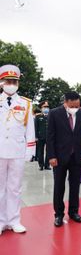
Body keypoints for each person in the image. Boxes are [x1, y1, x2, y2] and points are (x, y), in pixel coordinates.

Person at [0, 64, 36, 234]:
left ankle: (14, 220)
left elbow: (30, 128)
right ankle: (1, 221)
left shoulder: (26, 104)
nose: (11, 84)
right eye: (8, 81)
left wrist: (30, 150)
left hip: (17, 151)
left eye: (14, 81)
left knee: (15, 187)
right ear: (1, 82)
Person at [47, 91, 81, 227]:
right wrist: (51, 156)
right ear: (65, 102)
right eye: (72, 106)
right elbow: (50, 136)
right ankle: (59, 214)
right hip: (59, 157)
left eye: (77, 106)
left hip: (77, 156)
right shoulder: (54, 113)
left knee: (75, 186)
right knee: (59, 186)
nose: (75, 108)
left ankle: (73, 212)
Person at [35, 101, 51, 170]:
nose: (46, 108)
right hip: (40, 137)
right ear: (41, 108)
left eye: (47, 107)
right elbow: (36, 127)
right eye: (45, 107)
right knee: (40, 151)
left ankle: (47, 165)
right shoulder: (38, 117)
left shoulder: (51, 116)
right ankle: (41, 165)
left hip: (49, 137)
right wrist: (36, 136)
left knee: (49, 151)